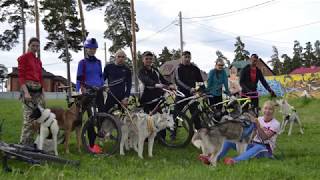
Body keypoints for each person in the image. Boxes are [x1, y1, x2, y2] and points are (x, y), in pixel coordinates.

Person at [217, 101, 281, 165]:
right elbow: (252, 134)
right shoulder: (259, 119)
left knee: (259, 147)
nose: (267, 111)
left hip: (265, 149)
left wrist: (258, 125)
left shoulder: (276, 123)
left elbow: (265, 138)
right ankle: (214, 158)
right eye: (265, 108)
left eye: (270, 109)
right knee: (229, 141)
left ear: (273, 111)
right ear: (262, 110)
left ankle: (235, 160)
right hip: (253, 144)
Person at [76, 37, 104, 153]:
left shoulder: (98, 62)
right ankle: (92, 145)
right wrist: (80, 90)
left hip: (99, 92)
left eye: (94, 48)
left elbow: (101, 77)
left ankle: (100, 138)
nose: (92, 50)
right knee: (91, 119)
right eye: (90, 48)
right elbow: (79, 79)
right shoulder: (82, 63)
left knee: (101, 116)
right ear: (86, 49)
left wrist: (102, 85)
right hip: (88, 93)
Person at [138, 51, 174, 139]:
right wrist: (156, 84)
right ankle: (146, 138)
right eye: (147, 59)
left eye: (150, 59)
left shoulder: (155, 70)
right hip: (146, 98)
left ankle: (162, 138)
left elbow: (162, 79)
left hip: (157, 97)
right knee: (147, 120)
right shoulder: (141, 71)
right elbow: (146, 80)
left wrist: (170, 84)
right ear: (143, 60)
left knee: (161, 117)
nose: (149, 61)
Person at [18, 37, 45, 145]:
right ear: (29, 46)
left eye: (37, 46)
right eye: (33, 45)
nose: (35, 48)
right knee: (29, 119)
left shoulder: (38, 61)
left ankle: (33, 143)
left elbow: (40, 77)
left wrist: (43, 91)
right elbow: (21, 77)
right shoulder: (23, 58)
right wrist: (26, 92)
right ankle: (23, 144)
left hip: (38, 91)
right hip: (28, 91)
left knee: (40, 117)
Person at [174, 51, 204, 132]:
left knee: (195, 114)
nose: (187, 59)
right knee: (176, 113)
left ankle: (200, 131)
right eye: (185, 57)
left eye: (188, 57)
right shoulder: (178, 68)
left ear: (190, 58)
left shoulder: (195, 68)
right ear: (182, 58)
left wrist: (202, 89)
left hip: (192, 95)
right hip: (181, 94)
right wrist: (189, 88)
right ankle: (173, 131)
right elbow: (178, 81)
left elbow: (200, 80)